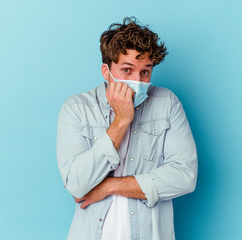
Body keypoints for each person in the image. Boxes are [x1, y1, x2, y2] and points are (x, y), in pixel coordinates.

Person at [56, 16, 198, 240]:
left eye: (145, 72)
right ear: (106, 71)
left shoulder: (167, 103)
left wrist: (109, 186)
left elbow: (184, 176)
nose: (138, 81)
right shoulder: (76, 109)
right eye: (127, 70)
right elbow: (76, 184)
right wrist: (121, 121)